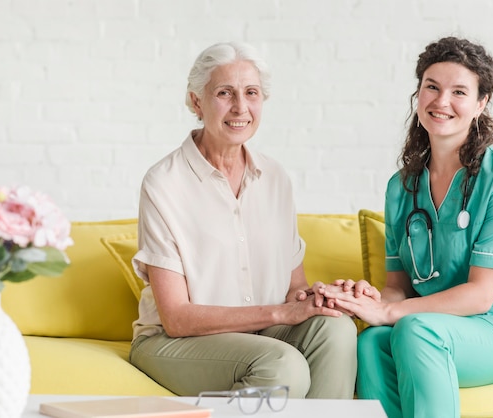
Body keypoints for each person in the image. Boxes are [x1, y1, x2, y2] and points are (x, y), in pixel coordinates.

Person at [129, 41, 357, 399]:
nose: (240, 107)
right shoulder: (164, 183)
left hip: (261, 336)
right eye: (224, 93)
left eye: (251, 93)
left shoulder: (275, 177)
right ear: (196, 102)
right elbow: (176, 318)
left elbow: (292, 290)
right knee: (282, 365)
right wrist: (281, 314)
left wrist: (322, 299)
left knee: (337, 328)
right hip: (176, 341)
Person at [321, 36, 493, 418]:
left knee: (415, 330)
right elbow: (398, 289)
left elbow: (481, 295)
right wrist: (368, 302)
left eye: (459, 91)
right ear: (418, 94)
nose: (441, 101)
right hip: (422, 326)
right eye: (432, 87)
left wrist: (393, 314)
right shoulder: (401, 186)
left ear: (481, 103)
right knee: (371, 342)